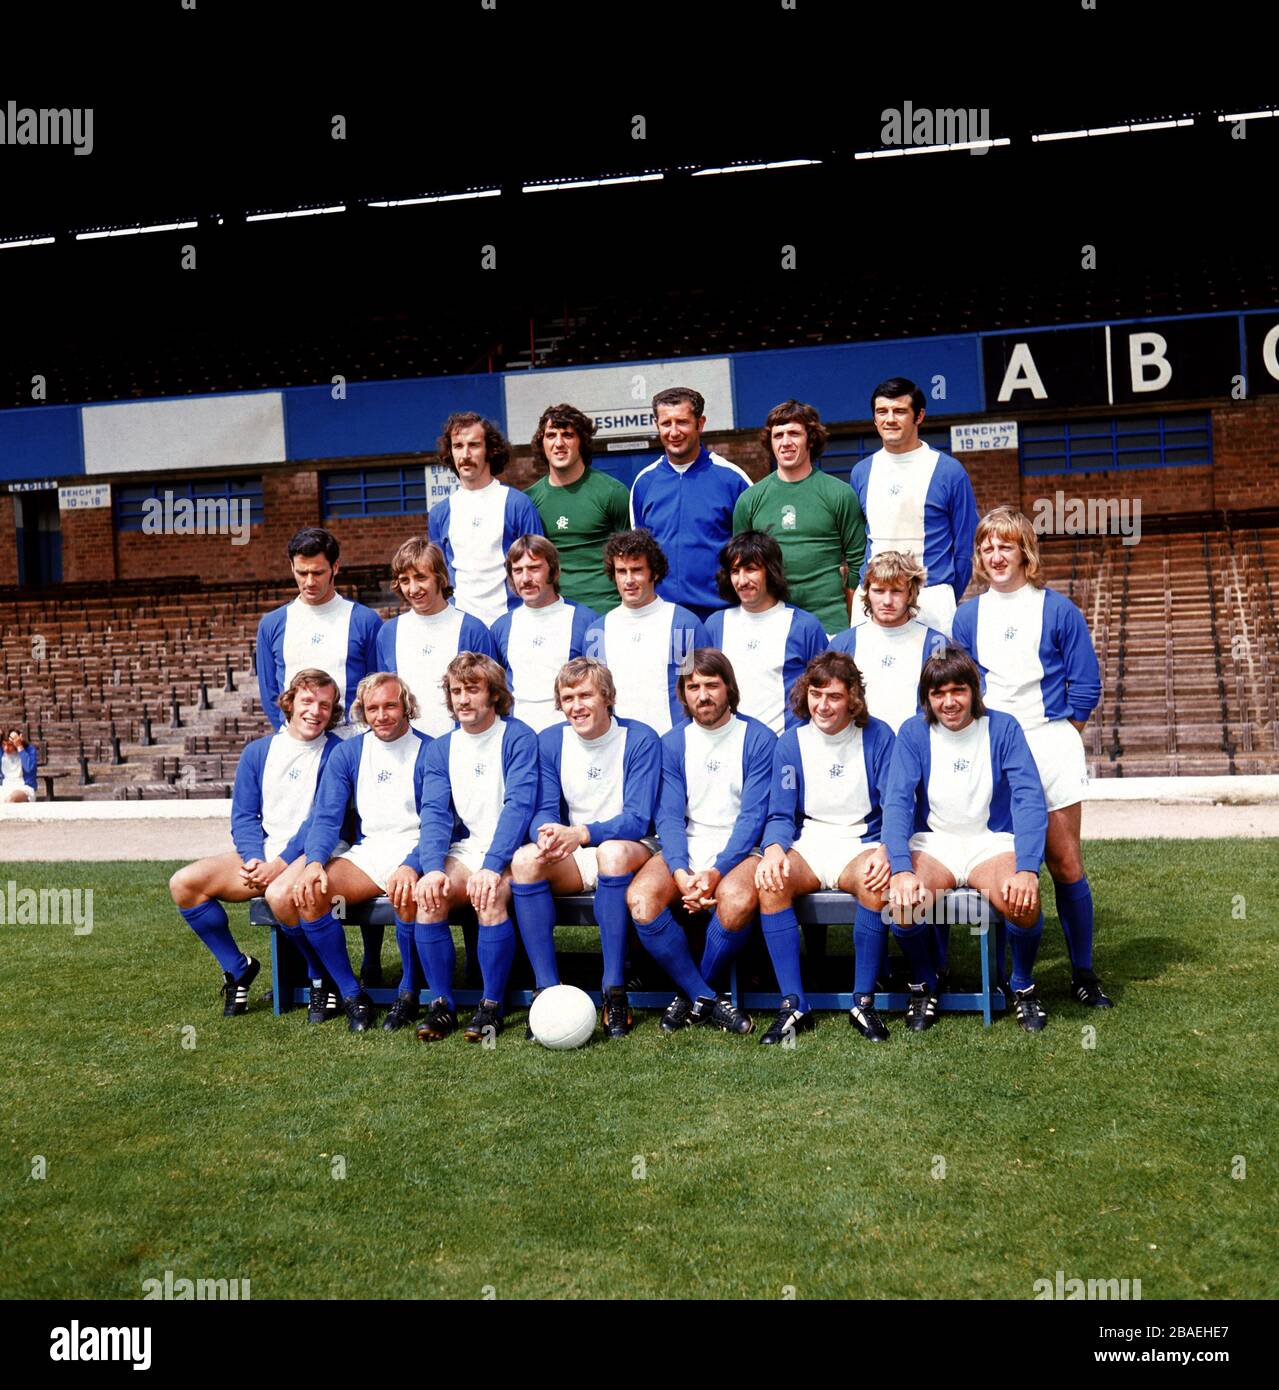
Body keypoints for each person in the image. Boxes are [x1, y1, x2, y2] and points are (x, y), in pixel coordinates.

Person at [950, 507, 1110, 1007]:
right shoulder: (967, 615)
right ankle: (1006, 976)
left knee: (1063, 862)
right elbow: (963, 685)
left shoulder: (1058, 609)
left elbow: (1086, 686)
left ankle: (1082, 973)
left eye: (1006, 546)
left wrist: (1056, 735)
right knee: (1000, 858)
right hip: (993, 747)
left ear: (1025, 552)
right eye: (987, 547)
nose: (996, 556)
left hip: (1049, 743)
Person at [881, 648, 1050, 1033]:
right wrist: (902, 869)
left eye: (958, 690)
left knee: (1021, 900)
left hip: (989, 843)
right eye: (938, 693)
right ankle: (925, 984)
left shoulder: (1003, 727)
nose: (949, 702)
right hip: (935, 844)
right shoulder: (913, 731)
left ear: (975, 690)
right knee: (902, 903)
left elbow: (1028, 798)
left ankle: (1022, 985)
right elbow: (897, 802)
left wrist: (1026, 868)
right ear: (926, 697)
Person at [168, 670, 342, 1018]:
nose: (316, 711)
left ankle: (320, 977)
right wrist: (252, 859)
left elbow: (322, 820)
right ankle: (238, 967)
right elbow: (245, 816)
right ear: (290, 703)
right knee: (184, 883)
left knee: (282, 891)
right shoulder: (259, 752)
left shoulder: (338, 752)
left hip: (315, 852)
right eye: (308, 701)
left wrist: (277, 865)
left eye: (325, 705)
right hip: (264, 856)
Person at [387, 654, 540, 1043]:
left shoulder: (518, 737)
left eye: (473, 690)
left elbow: (519, 807)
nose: (463, 699)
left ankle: (491, 1006)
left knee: (488, 898)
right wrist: (433, 866)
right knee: (429, 897)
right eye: (456, 691)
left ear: (494, 694)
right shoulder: (441, 749)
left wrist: (492, 866)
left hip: (514, 850)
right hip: (468, 848)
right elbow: (435, 814)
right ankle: (442, 1005)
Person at [266, 673, 430, 1032]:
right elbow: (326, 816)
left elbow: (438, 821)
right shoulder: (349, 752)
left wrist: (414, 864)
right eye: (372, 708)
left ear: (406, 706)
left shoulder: (430, 749)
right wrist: (313, 863)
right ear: (363, 711)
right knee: (308, 893)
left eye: (390, 705)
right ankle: (352, 994)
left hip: (418, 849)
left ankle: (408, 992)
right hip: (370, 852)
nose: (382, 715)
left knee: (409, 895)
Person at [509, 657, 661, 1039]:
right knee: (525, 861)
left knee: (610, 853)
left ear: (607, 697)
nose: (577, 705)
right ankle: (547, 991)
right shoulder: (549, 740)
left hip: (630, 847)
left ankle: (614, 989)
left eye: (585, 695)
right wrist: (546, 835)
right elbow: (542, 807)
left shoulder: (640, 738)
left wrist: (581, 833)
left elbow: (639, 817)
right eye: (568, 697)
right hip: (576, 846)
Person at [754, 651, 898, 1044]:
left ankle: (863, 1001)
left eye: (833, 696)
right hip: (811, 842)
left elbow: (896, 804)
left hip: (862, 842)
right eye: (816, 694)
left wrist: (887, 848)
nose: (822, 704)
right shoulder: (791, 743)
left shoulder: (879, 736)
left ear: (853, 697)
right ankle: (793, 1002)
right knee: (770, 881)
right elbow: (781, 813)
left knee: (874, 881)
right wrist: (773, 849)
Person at [627, 649, 774, 1034]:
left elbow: (753, 818)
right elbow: (670, 818)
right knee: (641, 900)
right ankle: (704, 996)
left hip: (743, 850)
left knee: (737, 898)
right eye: (693, 687)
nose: (703, 695)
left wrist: (715, 872)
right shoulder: (673, 742)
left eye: (711, 685)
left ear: (729, 688)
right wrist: (679, 871)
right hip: (688, 843)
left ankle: (692, 993)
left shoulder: (757, 738)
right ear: (683, 693)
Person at [849, 377, 979, 636]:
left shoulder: (949, 471)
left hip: (930, 601)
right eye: (882, 412)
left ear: (919, 416)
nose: (890, 419)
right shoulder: (861, 472)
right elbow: (856, 545)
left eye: (899, 411)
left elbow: (965, 548)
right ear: (874, 419)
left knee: (935, 676)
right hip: (874, 601)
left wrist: (944, 593)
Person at [732, 399, 866, 635]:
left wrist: (850, 620)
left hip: (830, 622)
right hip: (771, 624)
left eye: (794, 433)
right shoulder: (749, 500)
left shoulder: (839, 494)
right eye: (778, 435)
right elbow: (740, 565)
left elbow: (857, 563)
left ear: (810, 438)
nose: (785, 443)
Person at [629, 385, 752, 620]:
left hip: (722, 614)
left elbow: (752, 554)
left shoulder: (733, 479)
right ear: (657, 425)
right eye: (666, 423)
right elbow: (640, 557)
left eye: (682, 422)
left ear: (700, 423)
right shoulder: (644, 483)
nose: (674, 432)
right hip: (665, 617)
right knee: (678, 659)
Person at [255, 526, 383, 737]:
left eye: (318, 572)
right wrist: (290, 732)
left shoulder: (365, 621)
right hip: (295, 740)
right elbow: (269, 693)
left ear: (335, 567)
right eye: (302, 573)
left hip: (350, 738)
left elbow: (375, 685)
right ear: (291, 567)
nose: (309, 581)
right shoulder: (272, 625)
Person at [582, 529, 709, 736]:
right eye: (622, 571)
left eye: (637, 570)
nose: (629, 580)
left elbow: (704, 691)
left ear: (655, 572)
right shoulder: (597, 631)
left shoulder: (683, 624)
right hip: (618, 747)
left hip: (672, 745)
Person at [427, 411, 544, 627]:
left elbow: (539, 569)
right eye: (458, 446)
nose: (465, 454)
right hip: (461, 626)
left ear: (490, 450)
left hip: (512, 622)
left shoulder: (517, 504)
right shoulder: (439, 514)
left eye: (474, 445)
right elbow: (438, 578)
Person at [704, 531, 828, 734]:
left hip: (784, 747)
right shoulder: (715, 624)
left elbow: (825, 689)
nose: (742, 580)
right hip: (729, 744)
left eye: (751, 569)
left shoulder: (805, 626)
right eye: (735, 571)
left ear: (770, 571)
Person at [376, 536, 496, 736]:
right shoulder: (389, 633)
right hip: (407, 746)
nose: (413, 589)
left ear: (440, 577)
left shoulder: (471, 629)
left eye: (421, 577)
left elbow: (490, 696)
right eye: (405, 580)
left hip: (462, 742)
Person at [524, 403, 631, 615]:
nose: (559, 443)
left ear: (581, 441)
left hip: (606, 610)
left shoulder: (612, 492)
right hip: (554, 613)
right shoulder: (529, 500)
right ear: (542, 443)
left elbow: (632, 558)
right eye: (551, 435)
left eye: (567, 435)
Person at [830, 550, 949, 733]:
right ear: (867, 593)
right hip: (860, 746)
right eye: (878, 590)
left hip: (917, 744)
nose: (887, 601)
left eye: (896, 591)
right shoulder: (843, 643)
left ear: (910, 593)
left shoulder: (937, 643)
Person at [489, 535, 598, 733]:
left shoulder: (586, 621)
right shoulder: (501, 628)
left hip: (570, 736)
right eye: (518, 570)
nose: (526, 578)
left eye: (534, 568)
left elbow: (600, 689)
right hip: (519, 738)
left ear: (553, 570)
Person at [1, 728, 38, 802]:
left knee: (11, 799)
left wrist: (19, 746)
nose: (6, 748)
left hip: (24, 788)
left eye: (10, 745)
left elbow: (29, 768)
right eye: (4, 744)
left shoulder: (29, 750)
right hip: (5, 787)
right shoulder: (1, 752)